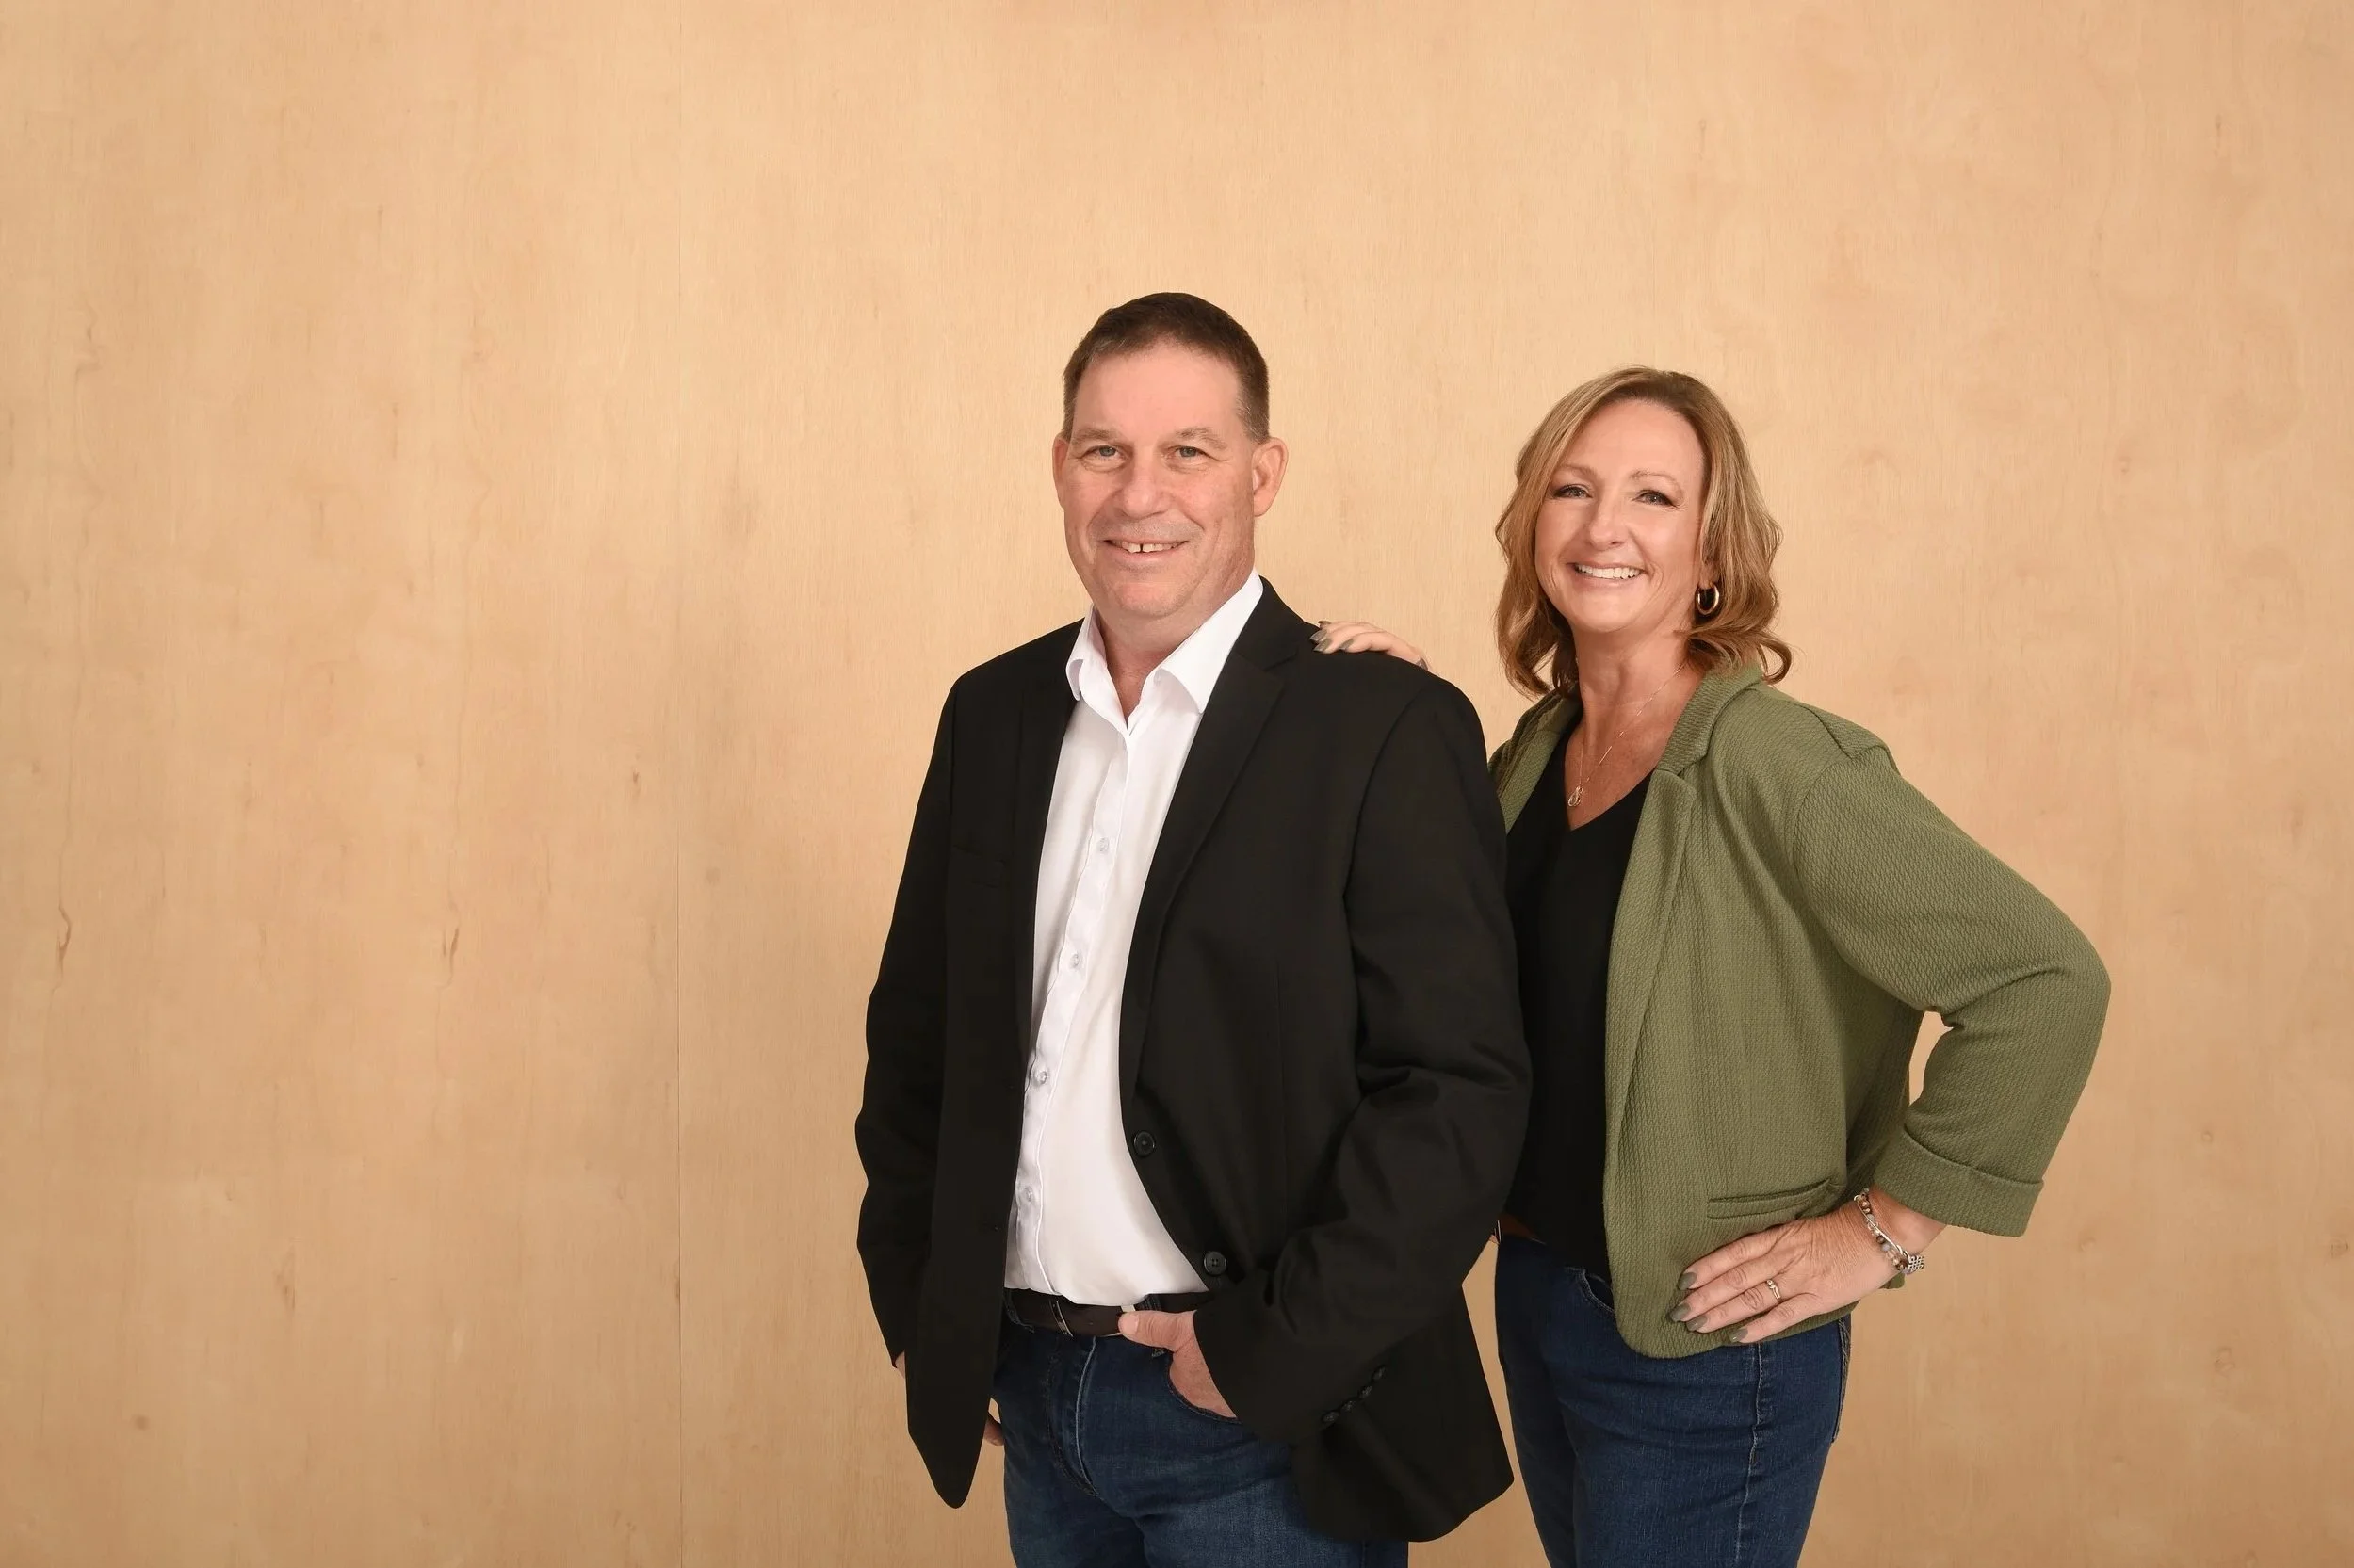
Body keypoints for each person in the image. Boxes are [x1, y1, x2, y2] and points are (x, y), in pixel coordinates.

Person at [1315, 367, 2110, 1567]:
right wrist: (1404, 719)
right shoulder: (1533, 754)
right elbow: (1456, 974)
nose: (1603, 527)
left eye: (1653, 496)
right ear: (1533, 523)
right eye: (1572, 489)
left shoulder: (1782, 765)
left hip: (1705, 1345)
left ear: (1711, 551)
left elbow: (2048, 981)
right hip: (1538, 1295)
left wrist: (1884, 1228)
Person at [854, 293, 1530, 1568]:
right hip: (1036, 1398)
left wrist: (1266, 1351)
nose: (1136, 493)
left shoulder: (1375, 724)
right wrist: (922, 1302)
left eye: (1188, 451)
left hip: (1260, 1420)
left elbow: (1458, 1096)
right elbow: (918, 1038)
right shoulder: (991, 714)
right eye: (1102, 449)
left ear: (1260, 475)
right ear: (1060, 469)